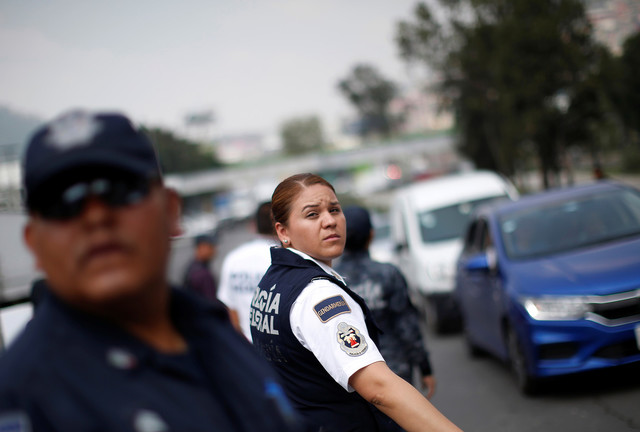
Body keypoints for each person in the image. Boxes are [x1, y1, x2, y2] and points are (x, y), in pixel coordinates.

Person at [0, 110, 301, 432]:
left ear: (170, 211)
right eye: (63, 204)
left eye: (119, 191)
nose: (96, 217)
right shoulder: (12, 405)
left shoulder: (214, 332)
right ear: (33, 243)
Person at [250, 173, 463, 432]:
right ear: (283, 232)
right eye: (312, 214)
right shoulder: (319, 295)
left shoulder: (271, 283)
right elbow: (379, 389)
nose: (330, 221)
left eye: (334, 209)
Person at [335, 205, 436, 405]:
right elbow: (407, 327)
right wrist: (425, 368)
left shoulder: (332, 281)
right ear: (371, 235)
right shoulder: (388, 274)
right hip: (395, 371)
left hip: (355, 378)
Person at [217, 201, 277, 341]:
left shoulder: (234, 258)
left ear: (254, 225)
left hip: (246, 343)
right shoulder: (284, 258)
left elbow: (230, 309)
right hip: (277, 347)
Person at [182, 233, 218, 300]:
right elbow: (210, 302)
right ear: (201, 247)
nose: (214, 251)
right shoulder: (202, 274)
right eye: (211, 247)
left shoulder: (192, 266)